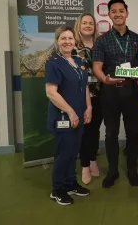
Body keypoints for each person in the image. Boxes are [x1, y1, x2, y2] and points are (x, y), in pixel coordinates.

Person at [92, 0, 138, 188]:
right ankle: (112, 171)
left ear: (127, 13)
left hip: (131, 92)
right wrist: (105, 79)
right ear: (109, 14)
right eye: (114, 11)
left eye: (121, 10)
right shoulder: (102, 40)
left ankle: (132, 169)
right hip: (110, 92)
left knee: (132, 133)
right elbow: (97, 67)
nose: (118, 14)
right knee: (111, 133)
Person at [45, 26, 91, 206]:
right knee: (63, 154)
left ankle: (70, 183)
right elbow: (51, 92)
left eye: (70, 38)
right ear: (57, 41)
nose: (67, 41)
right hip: (63, 118)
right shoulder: (54, 63)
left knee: (73, 152)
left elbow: (85, 87)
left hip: (79, 116)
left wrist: (88, 107)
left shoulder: (79, 62)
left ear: (75, 41)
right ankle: (57, 189)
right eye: (63, 38)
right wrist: (71, 112)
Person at [72, 13, 102, 185]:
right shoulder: (74, 46)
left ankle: (93, 160)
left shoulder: (100, 44)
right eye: (85, 23)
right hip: (81, 95)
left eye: (91, 23)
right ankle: (84, 165)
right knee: (85, 131)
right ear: (79, 25)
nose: (88, 26)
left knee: (96, 129)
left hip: (100, 93)